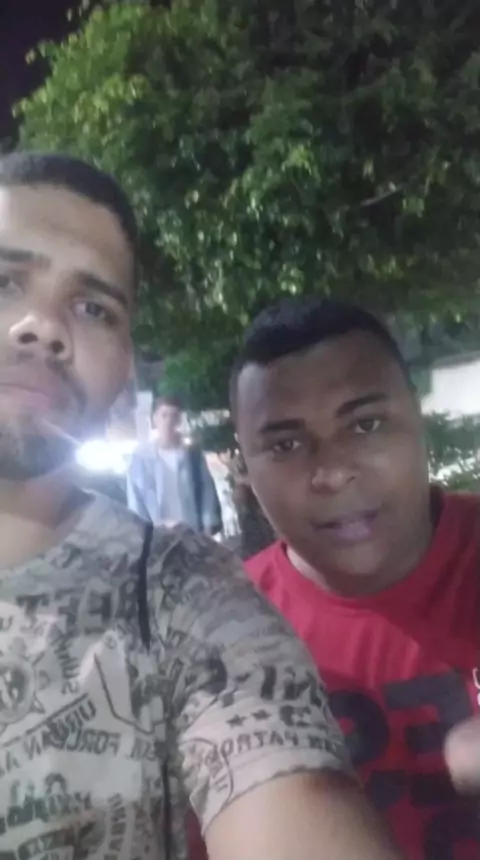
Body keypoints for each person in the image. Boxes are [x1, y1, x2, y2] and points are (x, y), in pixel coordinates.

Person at [0, 152, 405, 860]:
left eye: (93, 308)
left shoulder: (184, 597)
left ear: (124, 364)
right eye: (5, 281)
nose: (44, 326)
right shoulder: (150, 475)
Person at [231, 296, 480, 860]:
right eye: (286, 444)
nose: (333, 471)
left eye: (365, 424)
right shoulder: (222, 634)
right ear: (243, 465)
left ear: (417, 416)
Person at [127, 395, 223, 535]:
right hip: (159, 535)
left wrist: (208, 528)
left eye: (174, 416)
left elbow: (207, 491)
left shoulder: (191, 455)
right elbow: (136, 500)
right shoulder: (141, 459)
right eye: (164, 415)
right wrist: (142, 535)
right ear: (155, 419)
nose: (169, 421)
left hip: (190, 531)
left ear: (179, 420)